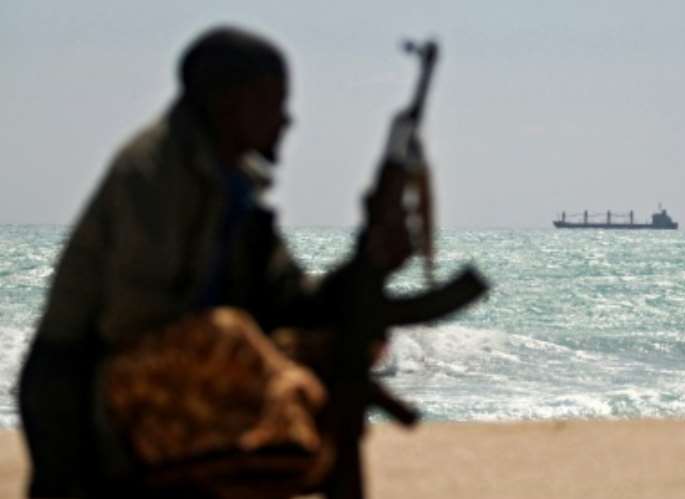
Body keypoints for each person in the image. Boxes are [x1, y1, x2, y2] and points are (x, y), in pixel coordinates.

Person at [17, 26, 419, 499]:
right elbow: (132, 324)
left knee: (346, 341)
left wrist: (369, 261)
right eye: (272, 102)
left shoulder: (237, 190)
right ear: (228, 103)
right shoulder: (153, 173)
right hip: (86, 386)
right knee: (228, 334)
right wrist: (265, 360)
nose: (285, 119)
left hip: (171, 367)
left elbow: (291, 299)